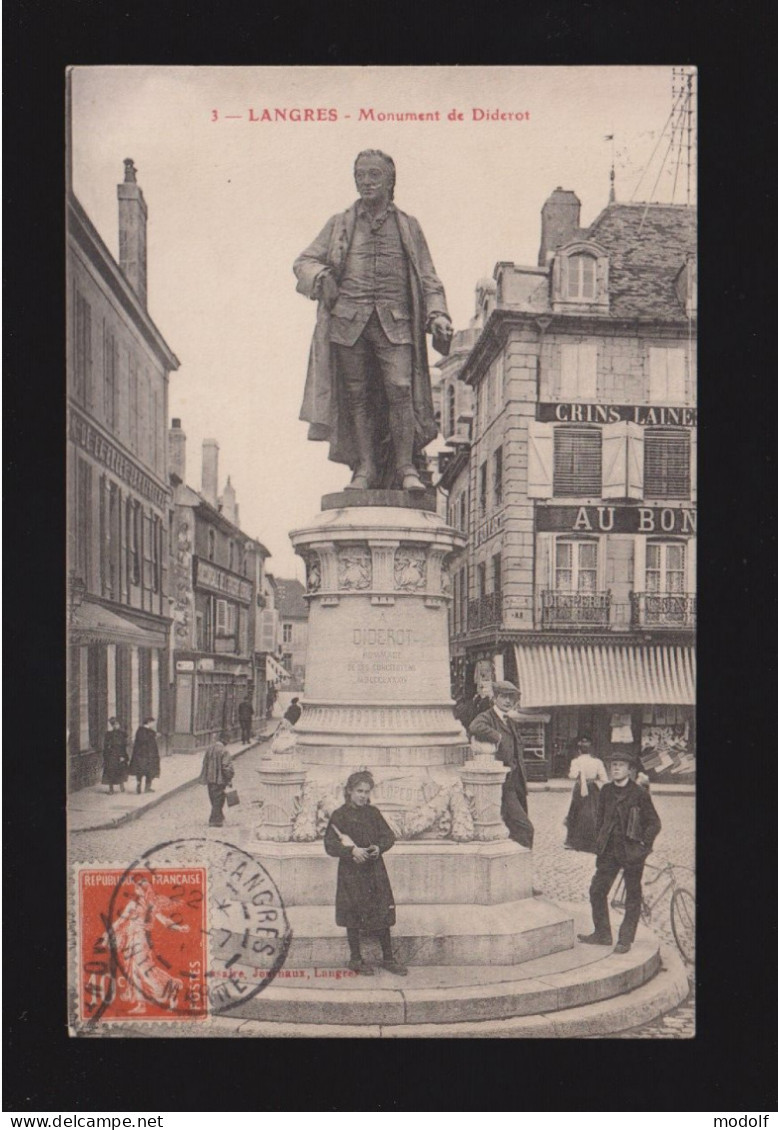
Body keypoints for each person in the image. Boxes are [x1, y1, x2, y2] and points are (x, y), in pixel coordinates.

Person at [294, 150, 454, 492]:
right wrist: (322, 276)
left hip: (395, 324)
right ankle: (364, 468)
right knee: (358, 395)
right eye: (360, 175)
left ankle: (406, 466)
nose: (366, 182)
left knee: (400, 389)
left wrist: (438, 314)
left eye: (374, 175)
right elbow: (304, 261)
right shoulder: (340, 223)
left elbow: (428, 278)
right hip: (348, 323)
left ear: (390, 181)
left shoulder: (408, 226)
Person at [577, 750, 662, 954]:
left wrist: (643, 846)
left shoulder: (639, 793)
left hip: (632, 852)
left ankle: (625, 939)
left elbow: (654, 823)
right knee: (597, 890)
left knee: (632, 896)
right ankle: (603, 934)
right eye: (613, 765)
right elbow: (600, 818)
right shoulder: (606, 790)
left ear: (630, 770)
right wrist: (600, 841)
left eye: (621, 765)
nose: (616, 768)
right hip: (609, 852)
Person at [324, 770, 406, 976]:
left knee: (382, 912)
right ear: (349, 791)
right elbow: (330, 845)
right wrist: (351, 851)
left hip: (374, 871)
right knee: (352, 915)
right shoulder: (339, 816)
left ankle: (388, 958)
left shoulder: (373, 813)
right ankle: (356, 959)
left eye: (366, 792)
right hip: (351, 873)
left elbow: (389, 836)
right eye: (359, 791)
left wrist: (379, 847)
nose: (363, 795)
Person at [468, 680, 534, 850]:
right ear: (495, 698)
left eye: (511, 698)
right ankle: (521, 870)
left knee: (514, 831)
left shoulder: (511, 722)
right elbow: (475, 726)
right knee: (525, 828)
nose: (508, 702)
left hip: (517, 782)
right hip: (504, 785)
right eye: (504, 697)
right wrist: (496, 736)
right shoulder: (487, 717)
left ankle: (516, 870)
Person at [563, 734, 609, 852]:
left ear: (579, 750)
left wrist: (579, 773)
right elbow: (604, 778)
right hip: (592, 788)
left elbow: (572, 775)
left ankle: (572, 841)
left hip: (580, 788)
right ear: (591, 750)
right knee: (594, 812)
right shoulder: (597, 762)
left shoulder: (576, 761)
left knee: (575, 812)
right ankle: (594, 840)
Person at [199, 733, 235, 827]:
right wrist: (229, 778)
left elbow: (204, 763)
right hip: (220, 780)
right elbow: (226, 767)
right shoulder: (224, 751)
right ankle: (214, 820)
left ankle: (219, 816)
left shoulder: (209, 749)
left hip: (210, 779)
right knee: (219, 800)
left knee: (213, 798)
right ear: (225, 740)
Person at [129, 717, 160, 794]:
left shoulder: (140, 730)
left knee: (141, 770)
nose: (153, 724)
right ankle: (146, 787)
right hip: (147, 755)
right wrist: (154, 735)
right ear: (149, 722)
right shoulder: (148, 731)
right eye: (153, 723)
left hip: (141, 755)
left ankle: (140, 785)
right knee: (148, 770)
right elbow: (146, 741)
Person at [101, 717, 128, 794]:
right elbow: (105, 746)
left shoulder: (122, 734)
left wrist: (123, 756)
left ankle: (121, 785)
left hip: (119, 754)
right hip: (111, 756)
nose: (116, 725)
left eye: (117, 724)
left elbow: (123, 746)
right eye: (114, 724)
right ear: (112, 725)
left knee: (121, 770)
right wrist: (105, 757)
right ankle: (111, 789)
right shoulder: (108, 734)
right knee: (110, 771)